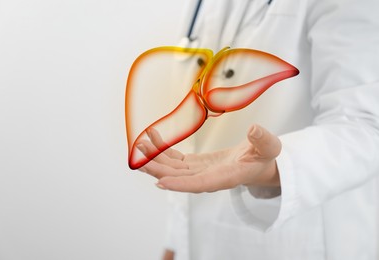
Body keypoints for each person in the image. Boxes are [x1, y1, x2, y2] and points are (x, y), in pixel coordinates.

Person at [137, 0, 379, 259]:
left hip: (301, 243)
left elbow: (364, 124)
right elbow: (196, 133)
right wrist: (176, 242)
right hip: (201, 240)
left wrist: (278, 166)